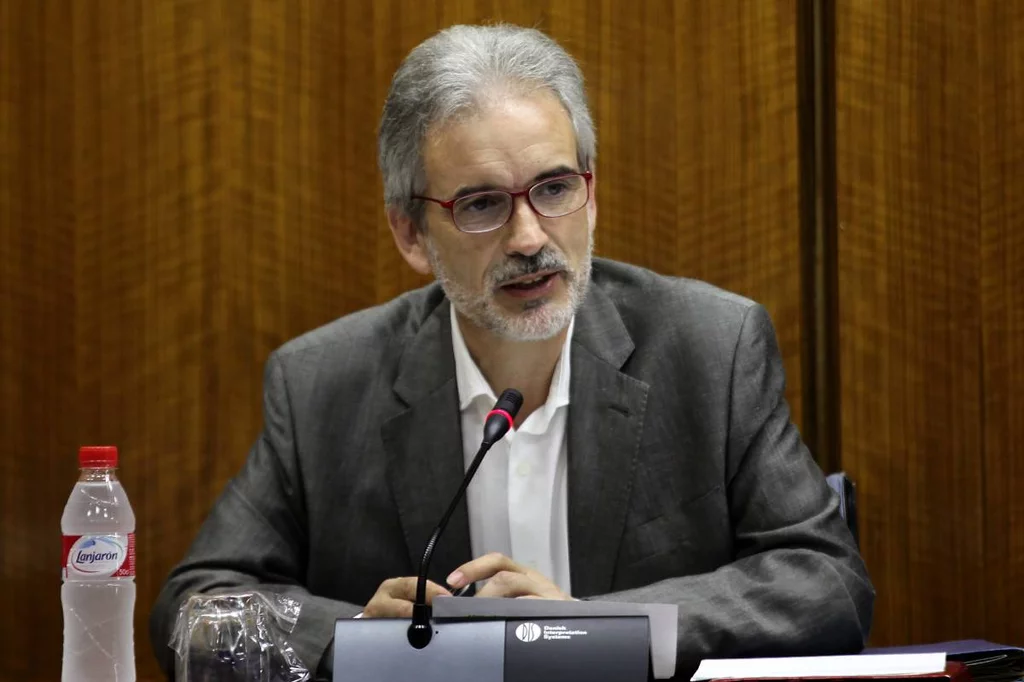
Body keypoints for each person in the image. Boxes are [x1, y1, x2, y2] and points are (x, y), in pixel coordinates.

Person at [150, 23, 873, 680]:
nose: (529, 237)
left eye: (554, 188)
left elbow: (825, 583)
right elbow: (194, 610)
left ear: (590, 197)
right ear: (410, 233)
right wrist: (359, 643)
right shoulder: (322, 384)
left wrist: (593, 629)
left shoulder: (709, 347)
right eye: (483, 204)